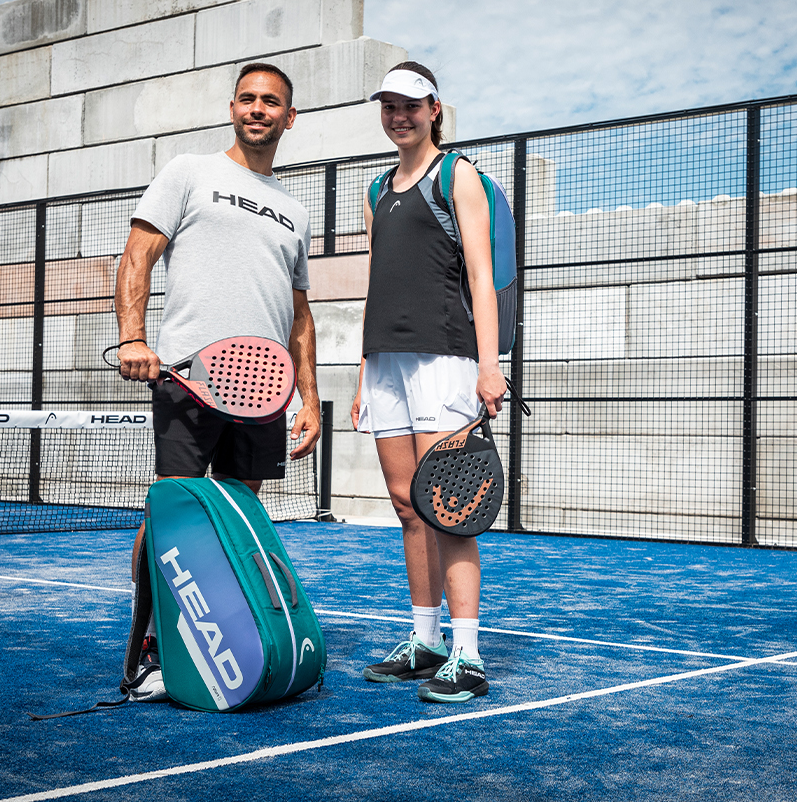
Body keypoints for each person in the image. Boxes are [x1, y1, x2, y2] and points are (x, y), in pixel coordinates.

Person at [113, 62, 321, 702]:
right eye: (247, 98)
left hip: (263, 389)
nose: (258, 109)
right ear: (232, 108)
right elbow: (137, 256)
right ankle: (153, 645)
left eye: (271, 102)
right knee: (172, 516)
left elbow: (300, 314)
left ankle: (220, 638)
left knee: (236, 518)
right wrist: (132, 336)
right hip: (189, 378)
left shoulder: (295, 211)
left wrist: (309, 397)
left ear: (290, 117)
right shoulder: (188, 172)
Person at [352, 62, 505, 703]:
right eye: (389, 105)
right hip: (386, 362)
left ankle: (467, 654)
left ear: (434, 109)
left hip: (445, 356)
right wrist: (363, 371)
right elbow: (374, 283)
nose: (400, 116)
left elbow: (482, 276)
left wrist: (490, 364)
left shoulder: (456, 174)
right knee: (406, 503)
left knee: (450, 506)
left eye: (411, 105)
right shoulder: (375, 189)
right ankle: (426, 640)